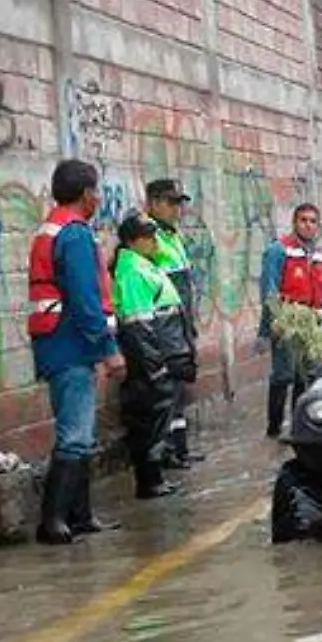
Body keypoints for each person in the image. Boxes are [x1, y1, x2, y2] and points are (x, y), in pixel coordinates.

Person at [28, 159, 124, 545]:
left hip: (58, 342)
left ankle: (80, 516)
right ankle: (53, 522)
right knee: (74, 434)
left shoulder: (52, 229)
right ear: (86, 194)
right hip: (70, 345)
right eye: (96, 191)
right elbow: (85, 299)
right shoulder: (75, 235)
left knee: (81, 435)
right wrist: (108, 349)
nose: (98, 198)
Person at [111, 211, 197, 500]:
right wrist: (154, 367)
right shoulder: (133, 271)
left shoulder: (145, 264)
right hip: (153, 361)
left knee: (159, 417)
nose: (155, 241)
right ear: (133, 241)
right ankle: (149, 481)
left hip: (164, 356)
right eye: (149, 237)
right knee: (149, 419)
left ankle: (155, 477)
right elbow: (138, 327)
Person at [258, 202, 322, 437]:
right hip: (287, 320)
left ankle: (298, 426)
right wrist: (276, 321)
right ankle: (274, 427)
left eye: (313, 221)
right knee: (283, 374)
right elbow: (269, 290)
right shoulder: (279, 250)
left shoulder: (318, 254)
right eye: (303, 220)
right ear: (294, 222)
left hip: (313, 321)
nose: (308, 225)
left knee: (306, 375)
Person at [145, 178, 204, 466]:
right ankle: (165, 450)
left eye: (178, 204)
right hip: (164, 325)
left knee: (181, 385)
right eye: (170, 203)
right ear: (154, 203)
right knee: (166, 386)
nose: (176, 209)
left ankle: (180, 447)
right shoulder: (147, 235)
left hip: (181, 320)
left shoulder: (172, 235)